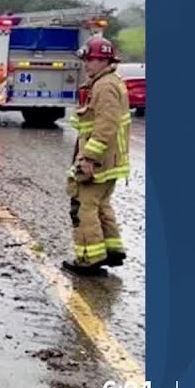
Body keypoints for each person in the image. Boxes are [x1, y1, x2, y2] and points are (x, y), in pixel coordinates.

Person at [62, 36, 131, 276]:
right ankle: (111, 251)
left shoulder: (105, 86)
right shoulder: (108, 81)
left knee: (83, 206)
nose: (86, 64)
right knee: (101, 205)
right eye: (86, 60)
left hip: (99, 162)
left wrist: (88, 159)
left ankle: (88, 259)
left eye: (91, 60)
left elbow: (105, 126)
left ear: (105, 60)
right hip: (109, 161)